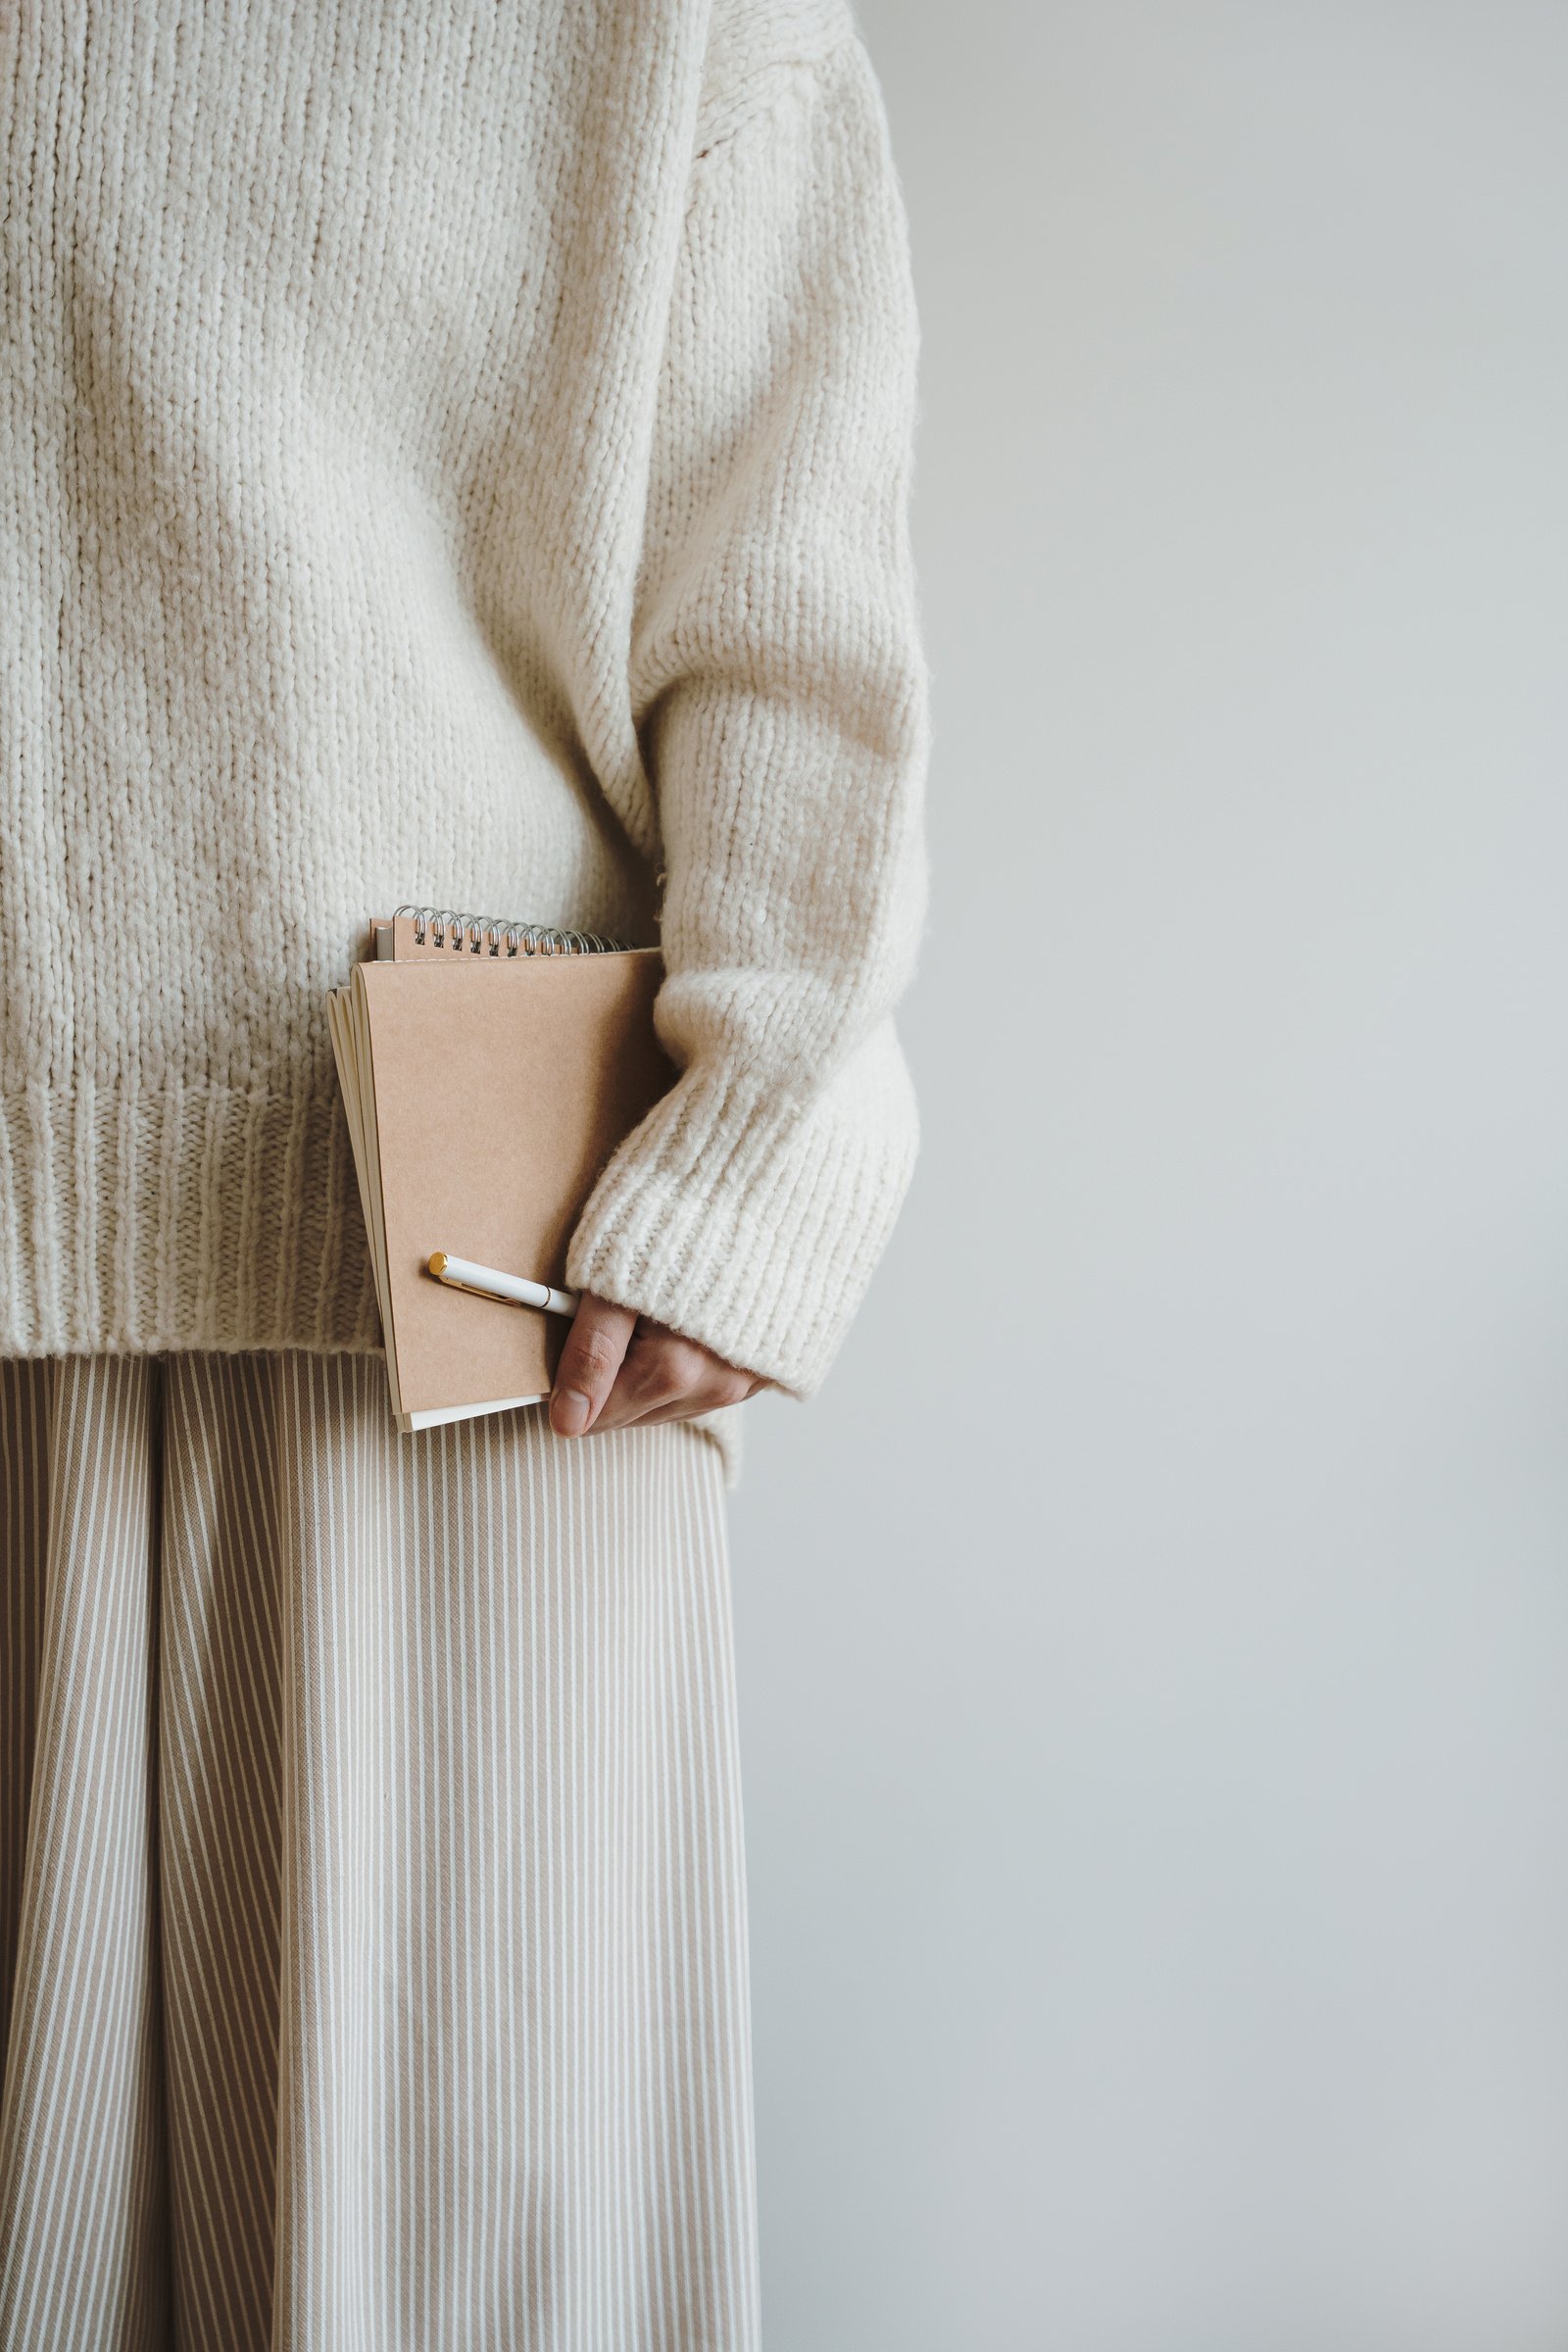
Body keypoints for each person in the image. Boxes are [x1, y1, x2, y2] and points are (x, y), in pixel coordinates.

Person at [0, 0, 929, 2343]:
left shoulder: (673, 29)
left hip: (472, 1312)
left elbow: (794, 620)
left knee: (441, 2268)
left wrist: (755, 1153)